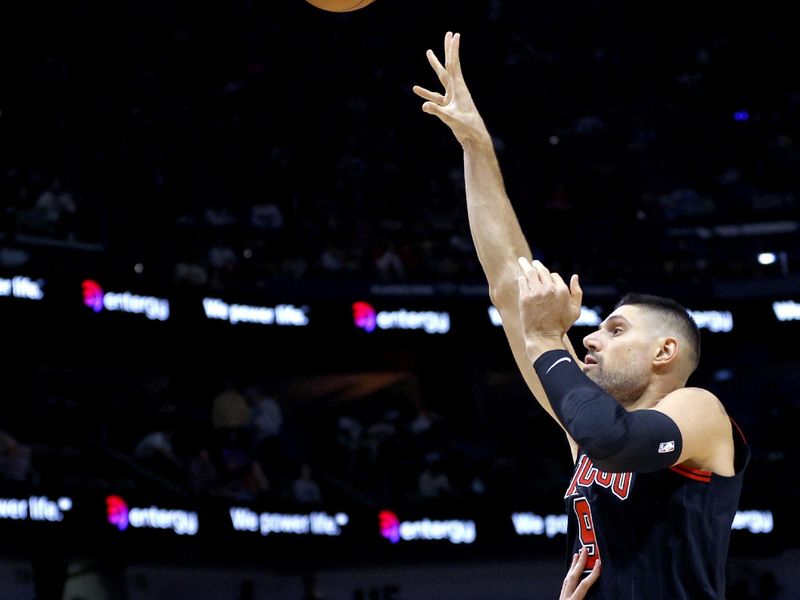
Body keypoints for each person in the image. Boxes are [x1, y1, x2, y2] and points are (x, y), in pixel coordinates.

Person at [414, 32, 749, 599]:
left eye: (615, 330)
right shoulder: (589, 422)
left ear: (665, 352)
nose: (590, 339)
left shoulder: (699, 412)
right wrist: (478, 150)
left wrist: (548, 336)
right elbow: (507, 286)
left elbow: (615, 441)